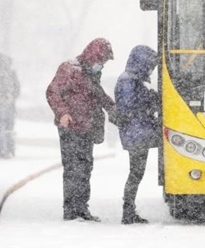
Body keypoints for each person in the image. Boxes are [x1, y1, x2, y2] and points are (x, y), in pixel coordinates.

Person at [46, 37, 116, 222]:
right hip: (71, 127)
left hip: (87, 127)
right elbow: (52, 92)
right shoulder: (70, 69)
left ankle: (81, 208)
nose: (102, 65)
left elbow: (97, 94)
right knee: (73, 168)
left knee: (85, 168)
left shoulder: (89, 73)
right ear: (94, 56)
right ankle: (71, 210)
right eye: (101, 61)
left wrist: (113, 108)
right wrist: (63, 113)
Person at [113, 45, 159, 225]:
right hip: (136, 134)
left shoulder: (132, 80)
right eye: (150, 65)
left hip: (138, 133)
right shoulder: (128, 82)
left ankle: (129, 210)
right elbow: (131, 107)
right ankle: (128, 211)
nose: (151, 69)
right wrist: (150, 101)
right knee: (136, 173)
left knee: (136, 172)